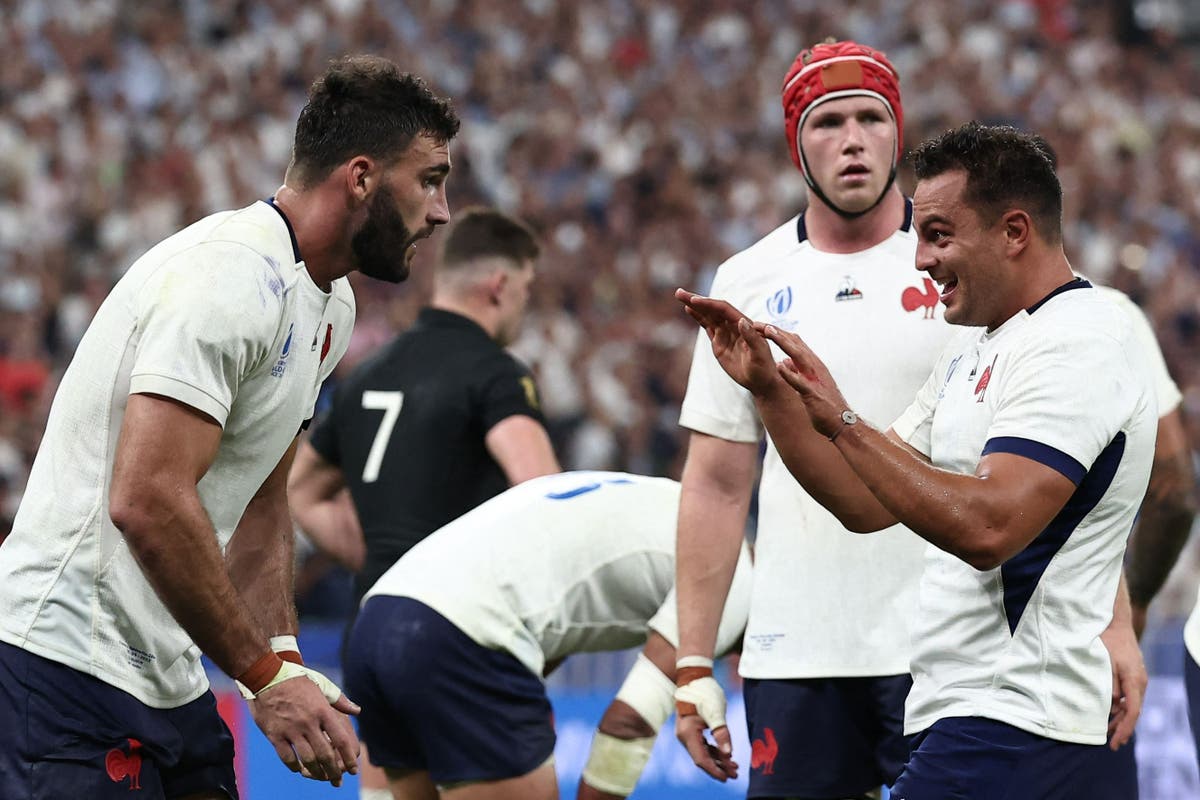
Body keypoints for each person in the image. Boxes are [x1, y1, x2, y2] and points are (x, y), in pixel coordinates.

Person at [0, 54, 459, 798]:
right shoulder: (230, 278)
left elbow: (260, 495)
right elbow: (145, 498)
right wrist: (262, 677)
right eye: (431, 179)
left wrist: (281, 656)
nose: (441, 211)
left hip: (166, 677)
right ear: (363, 176)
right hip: (61, 668)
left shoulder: (329, 303)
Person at [677, 122, 1156, 797]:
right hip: (973, 713)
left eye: (938, 235)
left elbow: (989, 528)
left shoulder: (1078, 343)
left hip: (1020, 720)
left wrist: (843, 420)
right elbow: (864, 501)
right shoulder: (971, 348)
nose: (921, 260)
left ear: (1014, 232)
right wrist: (772, 393)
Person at [671, 39, 958, 799]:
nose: (854, 139)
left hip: (949, 647)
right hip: (797, 651)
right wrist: (693, 662)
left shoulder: (960, 266)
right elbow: (717, 481)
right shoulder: (748, 281)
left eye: (872, 117)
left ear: (900, 132)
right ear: (796, 142)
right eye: (829, 122)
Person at [287, 205, 561, 799]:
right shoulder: (494, 373)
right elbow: (543, 495)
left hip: (372, 635)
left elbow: (300, 488)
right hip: (456, 633)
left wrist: (373, 551)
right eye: (527, 290)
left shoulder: (367, 374)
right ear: (501, 284)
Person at [340, 470, 753, 800]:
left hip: (378, 618)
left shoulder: (676, 502)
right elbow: (628, 723)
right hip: (461, 635)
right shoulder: (735, 579)